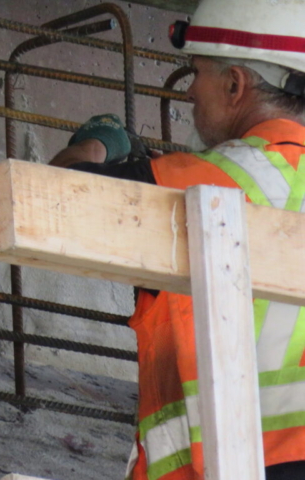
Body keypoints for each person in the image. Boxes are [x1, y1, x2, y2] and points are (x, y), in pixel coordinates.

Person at [50, 0, 305, 479]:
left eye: (196, 73)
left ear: (234, 85)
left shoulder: (200, 181)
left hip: (228, 466)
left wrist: (98, 145)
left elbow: (52, 201)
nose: (190, 92)